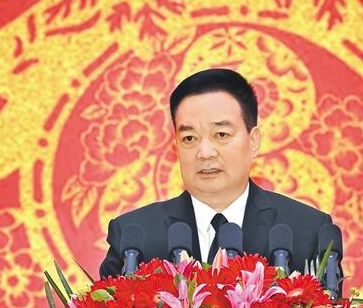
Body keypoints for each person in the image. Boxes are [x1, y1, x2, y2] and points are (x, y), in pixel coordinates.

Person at [98, 68, 334, 277]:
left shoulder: (306, 232)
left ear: (253, 141)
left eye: (221, 135)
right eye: (189, 138)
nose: (205, 152)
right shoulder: (134, 237)